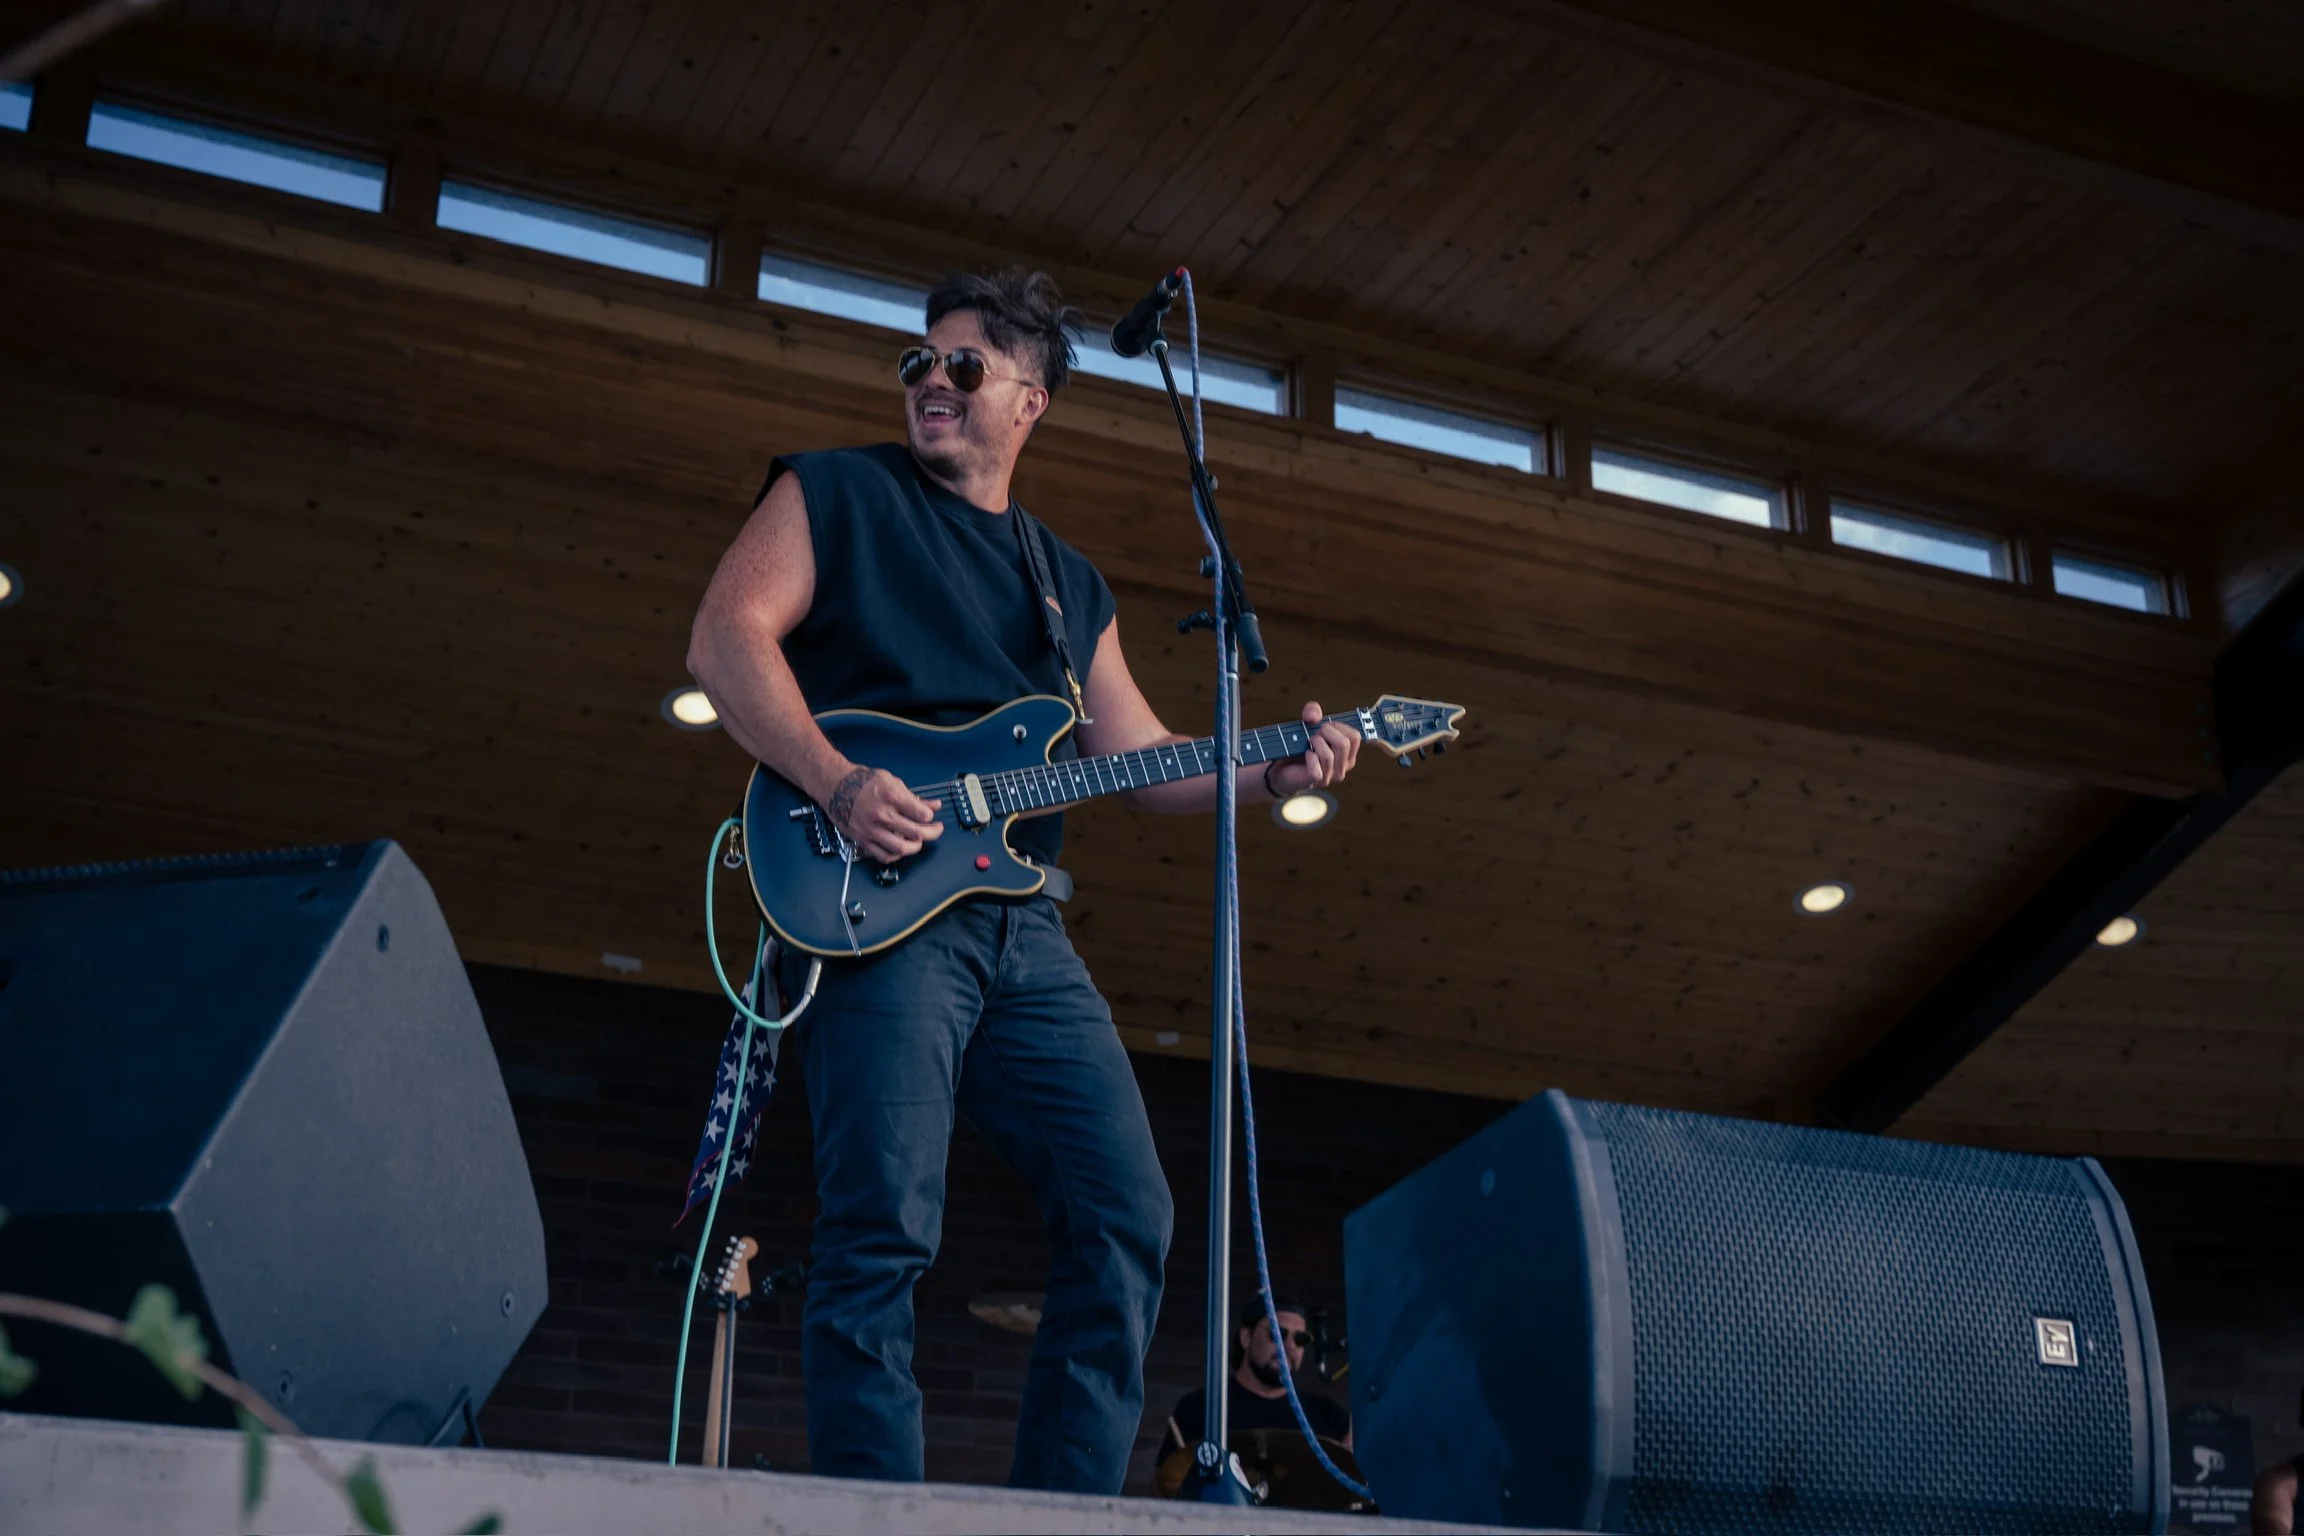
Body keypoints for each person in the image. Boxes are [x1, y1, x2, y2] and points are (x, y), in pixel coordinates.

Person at [685, 266, 1362, 1494]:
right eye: (919, 363)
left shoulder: (1066, 582)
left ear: (1030, 402)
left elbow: (1142, 762)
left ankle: (1067, 1512)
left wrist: (1272, 769)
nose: (931, 382)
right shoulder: (834, 492)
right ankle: (875, 1516)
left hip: (1023, 928)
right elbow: (725, 638)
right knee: (882, 1225)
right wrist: (837, 782)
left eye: (964, 367)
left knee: (1128, 1215)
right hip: (879, 902)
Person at [1165, 1295, 1352, 1455]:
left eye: (1300, 1339)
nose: (1289, 1346)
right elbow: (1165, 1481)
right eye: (1277, 1333)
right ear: (1246, 1338)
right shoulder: (1200, 1408)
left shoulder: (1329, 1417)